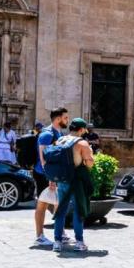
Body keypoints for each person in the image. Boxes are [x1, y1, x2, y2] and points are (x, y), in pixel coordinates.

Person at [52, 118, 95, 253]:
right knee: (79, 210)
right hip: (76, 181)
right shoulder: (82, 143)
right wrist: (90, 155)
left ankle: (57, 242)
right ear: (81, 129)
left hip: (62, 179)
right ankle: (79, 242)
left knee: (60, 211)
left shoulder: (60, 140)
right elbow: (89, 164)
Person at [33, 107, 69, 248]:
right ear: (58, 118)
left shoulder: (58, 133)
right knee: (42, 205)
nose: (67, 120)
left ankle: (61, 233)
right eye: (65, 117)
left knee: (57, 203)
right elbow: (43, 159)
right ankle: (39, 236)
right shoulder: (46, 134)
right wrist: (51, 177)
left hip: (53, 175)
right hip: (44, 174)